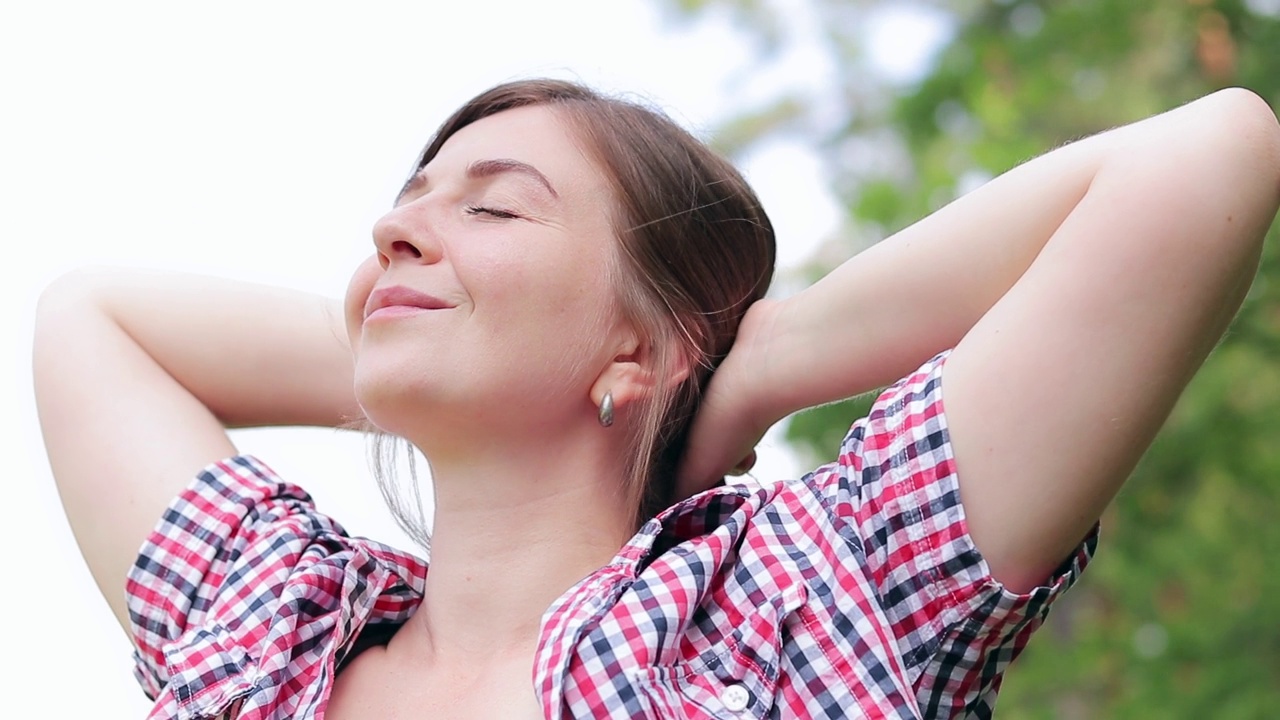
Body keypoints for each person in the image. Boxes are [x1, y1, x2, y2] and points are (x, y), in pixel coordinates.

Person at [33, 78, 1279, 719]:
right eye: (406, 204)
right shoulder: (274, 625)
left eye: (491, 205)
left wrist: (761, 366)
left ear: (642, 346)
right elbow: (88, 319)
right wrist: (405, 341)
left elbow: (1209, 152)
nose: (395, 230)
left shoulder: (809, 597)